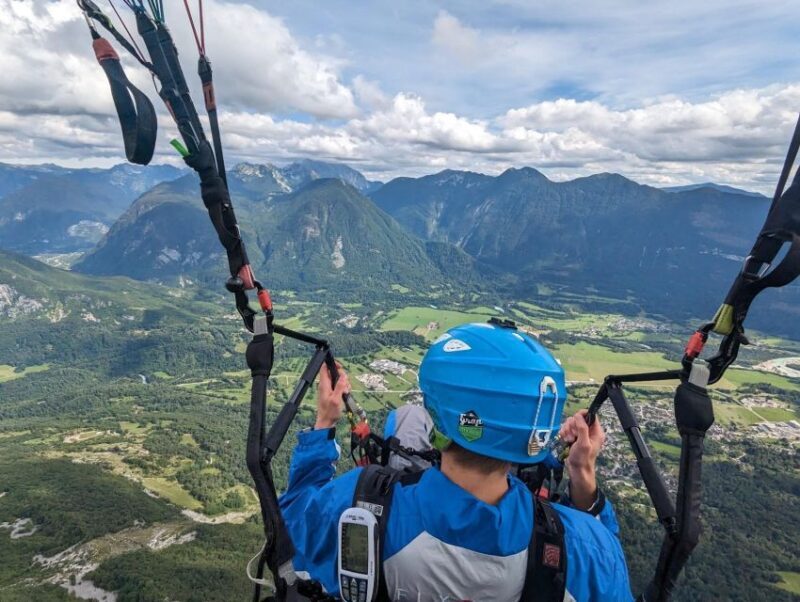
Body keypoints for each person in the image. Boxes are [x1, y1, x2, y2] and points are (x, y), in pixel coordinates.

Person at [280, 322, 633, 601]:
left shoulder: (357, 507)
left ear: (439, 428)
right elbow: (609, 559)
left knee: (404, 421)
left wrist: (325, 420)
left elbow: (292, 522)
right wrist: (581, 471)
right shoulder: (587, 547)